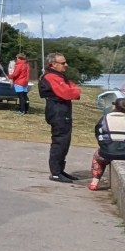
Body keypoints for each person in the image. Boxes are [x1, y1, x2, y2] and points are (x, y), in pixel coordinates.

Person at [41, 52, 83, 182]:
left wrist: (72, 88)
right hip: (57, 110)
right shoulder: (51, 77)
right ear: (53, 64)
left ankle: (59, 170)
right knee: (60, 141)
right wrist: (74, 90)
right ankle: (55, 172)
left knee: (65, 141)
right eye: (63, 63)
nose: (66, 65)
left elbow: (71, 87)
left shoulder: (59, 76)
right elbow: (68, 92)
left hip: (62, 110)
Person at [89, 97, 125, 191]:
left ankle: (94, 182)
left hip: (108, 152)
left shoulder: (104, 118)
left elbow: (98, 134)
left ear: (115, 107)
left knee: (97, 157)